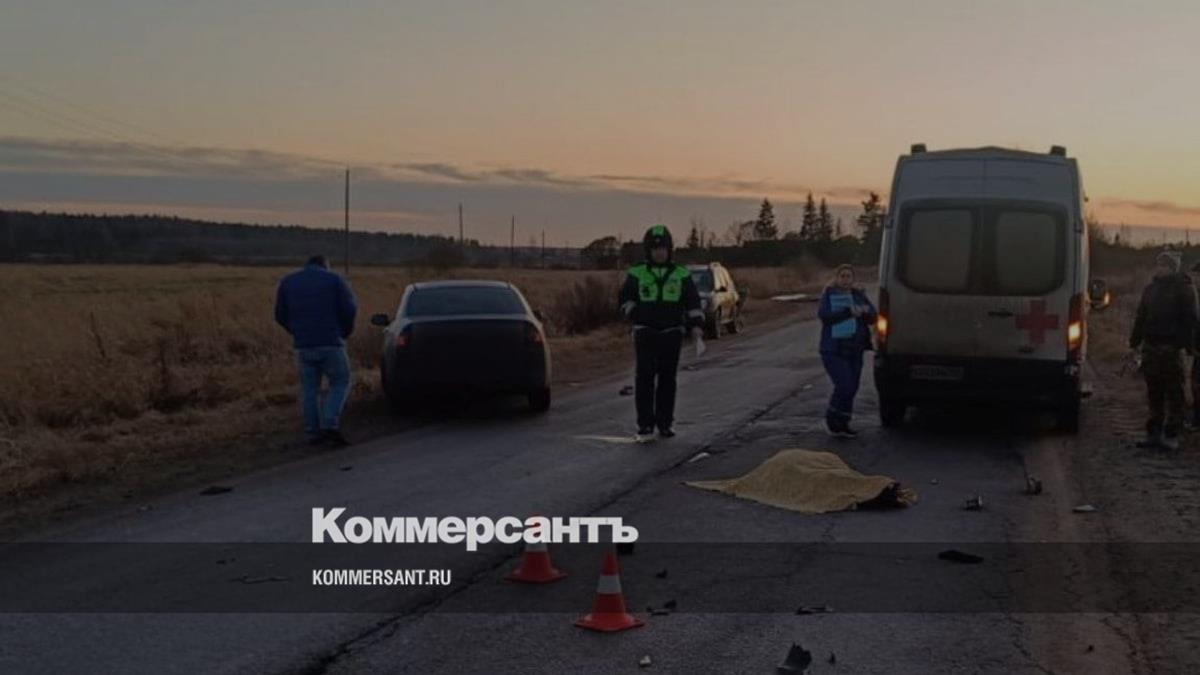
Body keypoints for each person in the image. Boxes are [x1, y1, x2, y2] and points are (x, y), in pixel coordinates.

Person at [618, 224, 705, 442]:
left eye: (663, 249)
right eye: (655, 249)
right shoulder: (636, 273)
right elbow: (624, 299)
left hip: (671, 333)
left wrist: (696, 326)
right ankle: (645, 425)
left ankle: (665, 423)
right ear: (648, 250)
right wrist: (635, 314)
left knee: (668, 380)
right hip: (645, 332)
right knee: (644, 378)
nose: (659, 253)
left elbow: (693, 302)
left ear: (669, 250)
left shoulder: (681, 274)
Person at [274, 254, 358, 447]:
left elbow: (279, 314)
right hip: (331, 342)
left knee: (310, 390)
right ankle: (329, 422)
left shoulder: (288, 282)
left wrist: (296, 331)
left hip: (303, 345)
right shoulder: (335, 280)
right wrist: (344, 332)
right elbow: (349, 309)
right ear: (325, 265)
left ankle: (313, 431)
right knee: (341, 381)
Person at [1129, 251, 1196, 451]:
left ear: (1173, 267)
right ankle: (1154, 433)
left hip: (1172, 349)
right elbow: (1141, 317)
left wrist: (1187, 346)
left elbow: (1191, 320)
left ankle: (1172, 434)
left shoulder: (1184, 289)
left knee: (1175, 393)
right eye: (1159, 264)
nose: (1160, 268)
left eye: (1165, 265)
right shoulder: (1150, 290)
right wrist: (1134, 342)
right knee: (1154, 392)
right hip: (1151, 348)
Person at [817, 264, 876, 438]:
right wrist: (848, 312)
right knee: (844, 385)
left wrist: (863, 312)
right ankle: (832, 420)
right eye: (842, 276)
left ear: (853, 279)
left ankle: (843, 421)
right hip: (834, 349)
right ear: (836, 278)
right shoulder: (829, 295)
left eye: (848, 276)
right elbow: (825, 316)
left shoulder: (858, 295)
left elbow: (873, 316)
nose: (845, 279)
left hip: (855, 349)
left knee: (852, 387)